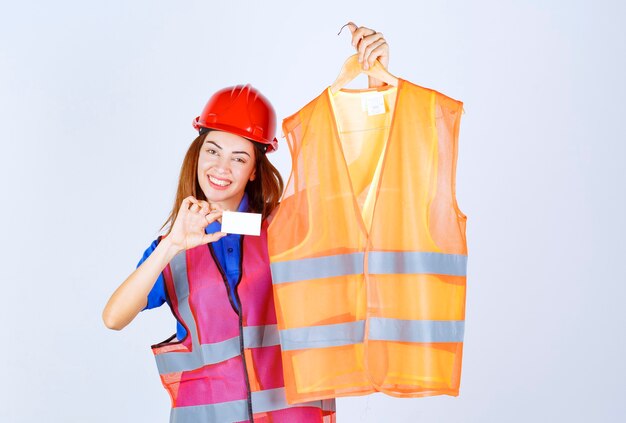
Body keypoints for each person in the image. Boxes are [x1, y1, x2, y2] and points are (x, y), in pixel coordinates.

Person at [102, 22, 390, 423]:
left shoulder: (289, 230)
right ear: (197, 154)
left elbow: (362, 191)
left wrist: (377, 87)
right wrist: (171, 244)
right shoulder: (174, 248)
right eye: (213, 151)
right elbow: (113, 318)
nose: (221, 168)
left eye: (239, 157)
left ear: (255, 169)